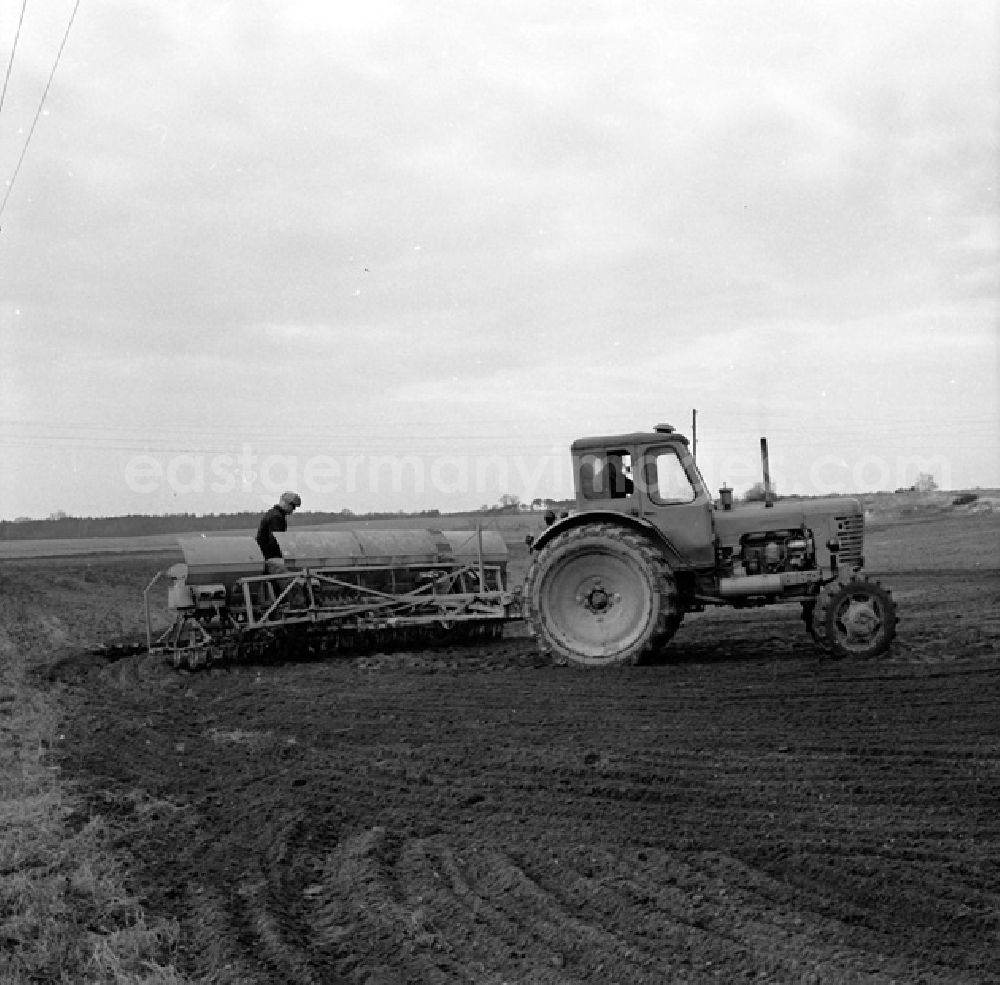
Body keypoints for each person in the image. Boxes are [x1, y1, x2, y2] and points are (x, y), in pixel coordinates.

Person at [255, 491, 301, 573]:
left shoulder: (274, 514)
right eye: (293, 506)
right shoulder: (276, 517)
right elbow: (276, 539)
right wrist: (285, 553)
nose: (293, 509)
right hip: (270, 557)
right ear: (285, 503)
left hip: (266, 555)